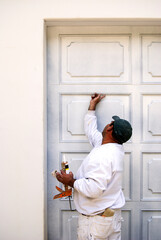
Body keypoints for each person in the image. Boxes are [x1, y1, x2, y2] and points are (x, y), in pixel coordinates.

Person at [56, 93, 132, 240]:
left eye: (110, 123)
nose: (108, 124)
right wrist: (92, 107)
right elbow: (92, 132)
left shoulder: (103, 155)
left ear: (110, 129)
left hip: (96, 221)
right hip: (109, 217)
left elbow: (94, 189)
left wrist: (70, 182)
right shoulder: (112, 148)